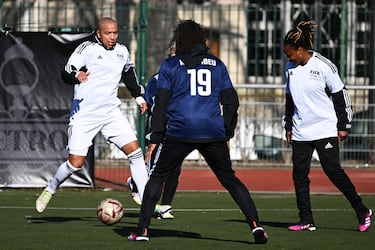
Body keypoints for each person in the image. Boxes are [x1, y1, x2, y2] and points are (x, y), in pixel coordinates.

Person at [128, 19, 268, 244]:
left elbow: (161, 103)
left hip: (180, 131)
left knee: (157, 176)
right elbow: (231, 101)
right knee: (229, 179)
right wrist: (227, 131)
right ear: (201, 39)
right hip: (212, 131)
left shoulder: (170, 65)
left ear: (180, 39)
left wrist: (156, 135)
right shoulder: (217, 64)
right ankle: (256, 226)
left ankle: (143, 231)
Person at [35, 17, 149, 213]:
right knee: (75, 164)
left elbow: (129, 74)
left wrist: (138, 97)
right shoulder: (86, 49)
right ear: (99, 33)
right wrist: (75, 76)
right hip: (85, 115)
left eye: (115, 33)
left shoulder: (122, 51)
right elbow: (66, 71)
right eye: (108, 33)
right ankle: (50, 188)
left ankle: (147, 201)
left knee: (136, 152)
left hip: (111, 112)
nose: (112, 37)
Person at [283, 20, 372, 232]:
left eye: (290, 54)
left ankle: (362, 210)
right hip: (300, 131)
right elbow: (289, 98)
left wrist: (344, 124)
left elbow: (341, 95)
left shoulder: (324, 66)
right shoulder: (289, 68)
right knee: (299, 175)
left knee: (333, 171)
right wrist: (287, 125)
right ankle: (306, 220)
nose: (288, 58)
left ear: (301, 50)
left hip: (324, 128)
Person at [127, 42, 182, 219]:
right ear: (170, 57)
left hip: (178, 129)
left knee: (175, 169)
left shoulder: (187, 78)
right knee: (155, 169)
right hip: (159, 128)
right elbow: (153, 105)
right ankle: (136, 184)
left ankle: (165, 207)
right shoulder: (159, 79)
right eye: (176, 57)